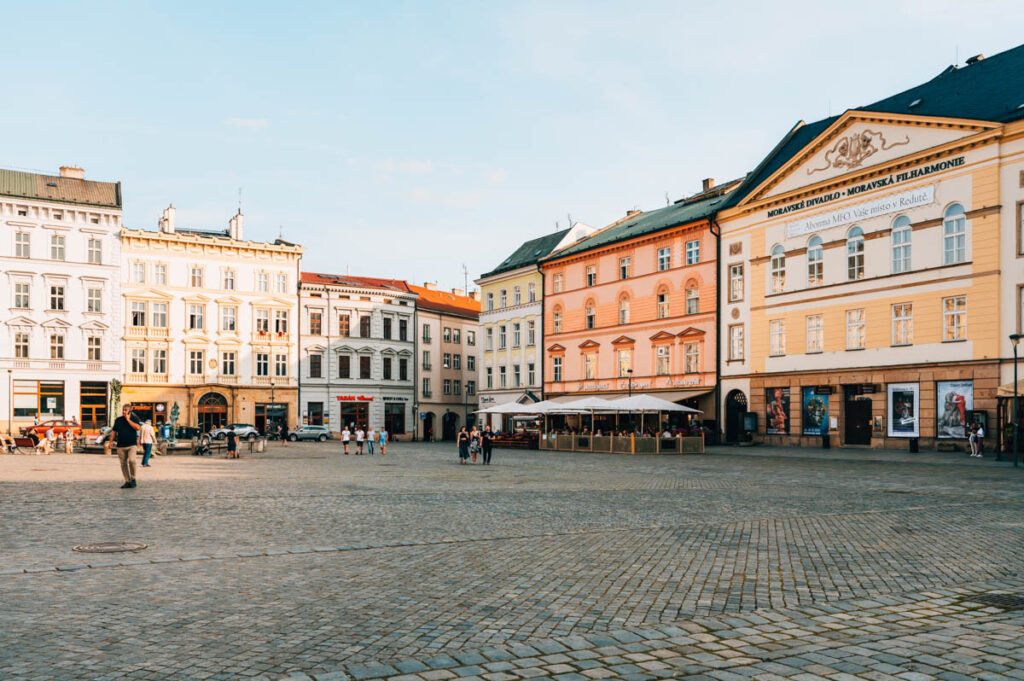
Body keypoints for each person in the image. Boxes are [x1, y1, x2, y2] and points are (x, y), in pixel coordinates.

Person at [112, 404, 142, 488]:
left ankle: (133, 478)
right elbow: (114, 431)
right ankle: (127, 481)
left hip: (132, 444)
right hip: (120, 445)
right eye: (123, 410)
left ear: (130, 411)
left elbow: (137, 428)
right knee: (123, 464)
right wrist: (111, 441)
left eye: (126, 410)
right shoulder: (118, 420)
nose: (124, 411)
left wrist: (128, 420)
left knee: (132, 460)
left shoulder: (134, 418)